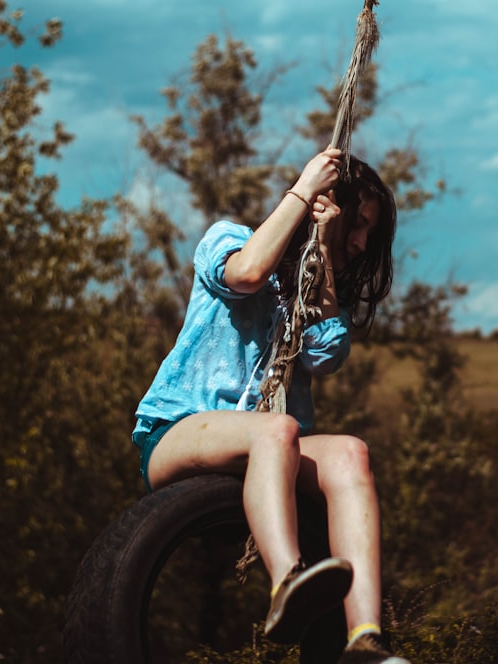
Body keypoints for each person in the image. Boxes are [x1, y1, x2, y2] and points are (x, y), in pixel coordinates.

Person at [132, 147, 410, 664]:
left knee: (350, 452)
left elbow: (327, 355)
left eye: (369, 233)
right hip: (178, 431)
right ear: (328, 204)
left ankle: (366, 638)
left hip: (272, 444)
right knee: (275, 429)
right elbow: (247, 275)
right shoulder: (227, 239)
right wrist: (304, 191)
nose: (361, 241)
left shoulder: (314, 285)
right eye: (359, 224)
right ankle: (288, 583)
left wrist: (325, 252)